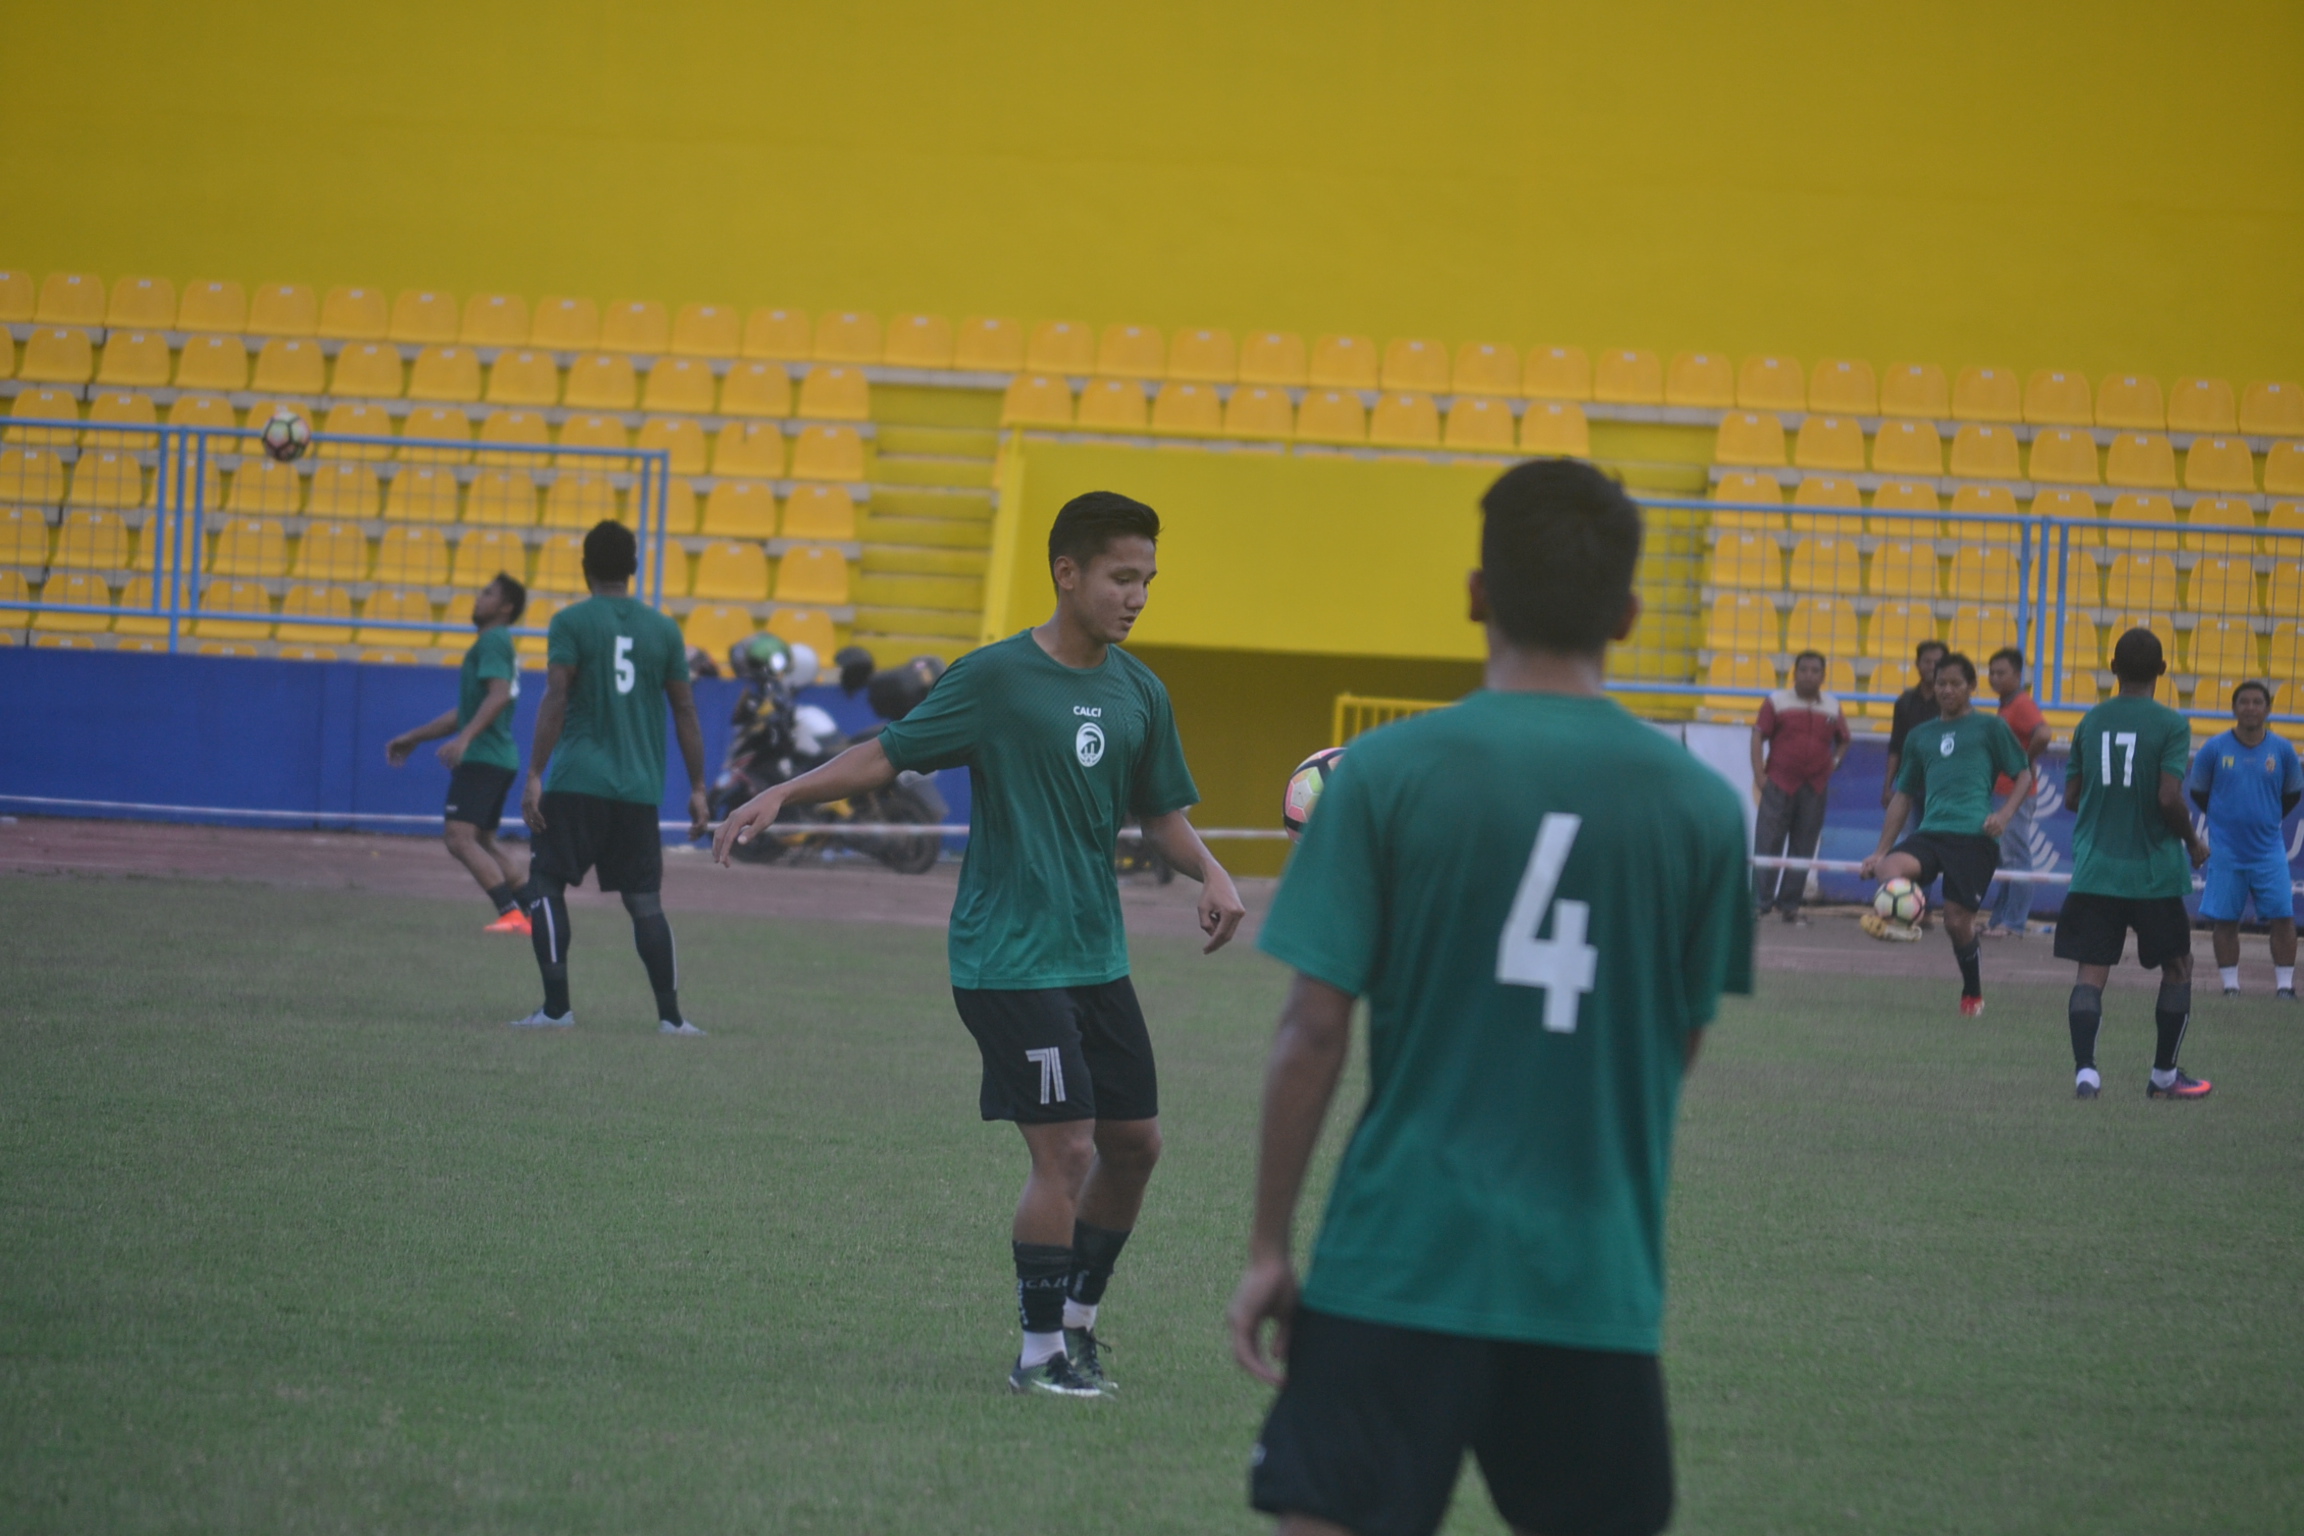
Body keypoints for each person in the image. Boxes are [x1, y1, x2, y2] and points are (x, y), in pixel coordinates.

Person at [1227, 459, 1751, 1536]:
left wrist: (1272, 1249)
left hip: (1393, 1264)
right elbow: (1677, 1042)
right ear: (1629, 613)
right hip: (1591, 1281)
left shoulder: (1382, 775)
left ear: (1477, 594)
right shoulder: (1702, 810)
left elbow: (1312, 1032)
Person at [713, 490, 1247, 1399]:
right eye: (1122, 577)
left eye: (1148, 580)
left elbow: (1159, 814)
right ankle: (1038, 1357)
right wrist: (783, 794)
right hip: (1007, 957)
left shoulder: (1139, 691)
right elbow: (890, 752)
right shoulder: (996, 678)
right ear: (1066, 573)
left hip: (1095, 956)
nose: (1137, 596)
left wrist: (1214, 873)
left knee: (1136, 1145)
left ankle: (1078, 1325)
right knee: (1066, 1151)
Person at [515, 520, 711, 1035]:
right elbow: (685, 710)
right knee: (644, 901)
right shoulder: (664, 630)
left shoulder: (571, 623)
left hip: (579, 778)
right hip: (639, 788)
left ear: (585, 569)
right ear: (634, 569)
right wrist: (697, 788)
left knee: (546, 883)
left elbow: (556, 697)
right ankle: (671, 1018)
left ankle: (556, 1009)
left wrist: (534, 772)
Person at [2057, 628, 2213, 1099]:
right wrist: (2192, 841)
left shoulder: (2090, 721)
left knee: (2090, 971)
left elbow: (2070, 797)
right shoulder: (2172, 724)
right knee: (2178, 967)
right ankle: (2164, 1076)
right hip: (2153, 871)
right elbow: (2169, 796)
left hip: (2096, 869)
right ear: (2163, 671)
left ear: (2112, 669)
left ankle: (2086, 1072)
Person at [1858, 652, 2032, 1015]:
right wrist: (1879, 851)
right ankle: (1905, 920)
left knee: (1957, 923)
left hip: (1974, 837)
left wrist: (2004, 814)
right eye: (1941, 683)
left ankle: (1972, 992)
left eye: (1955, 683)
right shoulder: (1920, 736)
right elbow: (1903, 795)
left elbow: (2024, 774)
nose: (1947, 690)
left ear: (1971, 686)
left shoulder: (1990, 727)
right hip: (1932, 832)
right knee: (1888, 869)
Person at [384, 574, 533, 934]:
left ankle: (510, 912)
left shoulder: (493, 641)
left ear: (505, 607)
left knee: (458, 838)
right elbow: (467, 710)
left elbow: (498, 696)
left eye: (488, 593)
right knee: (482, 841)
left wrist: (465, 740)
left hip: (484, 757)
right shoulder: (495, 643)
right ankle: (532, 913)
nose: (478, 598)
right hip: (499, 757)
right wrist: (415, 736)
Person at [2186, 680, 2300, 999]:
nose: (2250, 707)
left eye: (2257, 702)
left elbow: (2291, 794)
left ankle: (2285, 986)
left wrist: (2266, 817)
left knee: (2282, 916)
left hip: (2268, 851)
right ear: (2234, 708)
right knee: (2225, 919)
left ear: (2268, 709)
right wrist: (2225, 817)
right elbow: (2198, 791)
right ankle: (2231, 986)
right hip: (2226, 852)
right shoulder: (2214, 748)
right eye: (2244, 702)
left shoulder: (2282, 750)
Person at [1749, 648, 1849, 925]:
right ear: (1794, 673)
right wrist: (1760, 774)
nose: (1808, 675)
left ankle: (1789, 905)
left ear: (1823, 676)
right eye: (1803, 669)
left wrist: (1835, 761)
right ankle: (1759, 903)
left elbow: (1844, 738)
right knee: (1768, 841)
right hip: (1779, 782)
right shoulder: (1776, 701)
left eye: (1815, 670)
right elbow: (1758, 736)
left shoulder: (1832, 706)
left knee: (1803, 846)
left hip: (1815, 786)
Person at [1981, 647, 2052, 938]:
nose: (1995, 678)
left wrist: (2024, 761)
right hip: (2004, 791)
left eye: (2001, 673)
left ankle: (2013, 923)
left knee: (2016, 859)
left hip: (2014, 793)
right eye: (1992, 672)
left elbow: (2044, 733)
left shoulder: (2021, 704)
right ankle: (2000, 920)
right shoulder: (2007, 705)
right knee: (2006, 859)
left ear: (2018, 675)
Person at [1882, 638, 1949, 820]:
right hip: (1909, 786)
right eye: (1927, 661)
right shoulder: (1905, 701)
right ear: (1917, 664)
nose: (1931, 667)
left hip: (1943, 787)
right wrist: (1888, 786)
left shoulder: (1952, 702)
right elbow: (1896, 746)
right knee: (1911, 841)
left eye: (1937, 662)